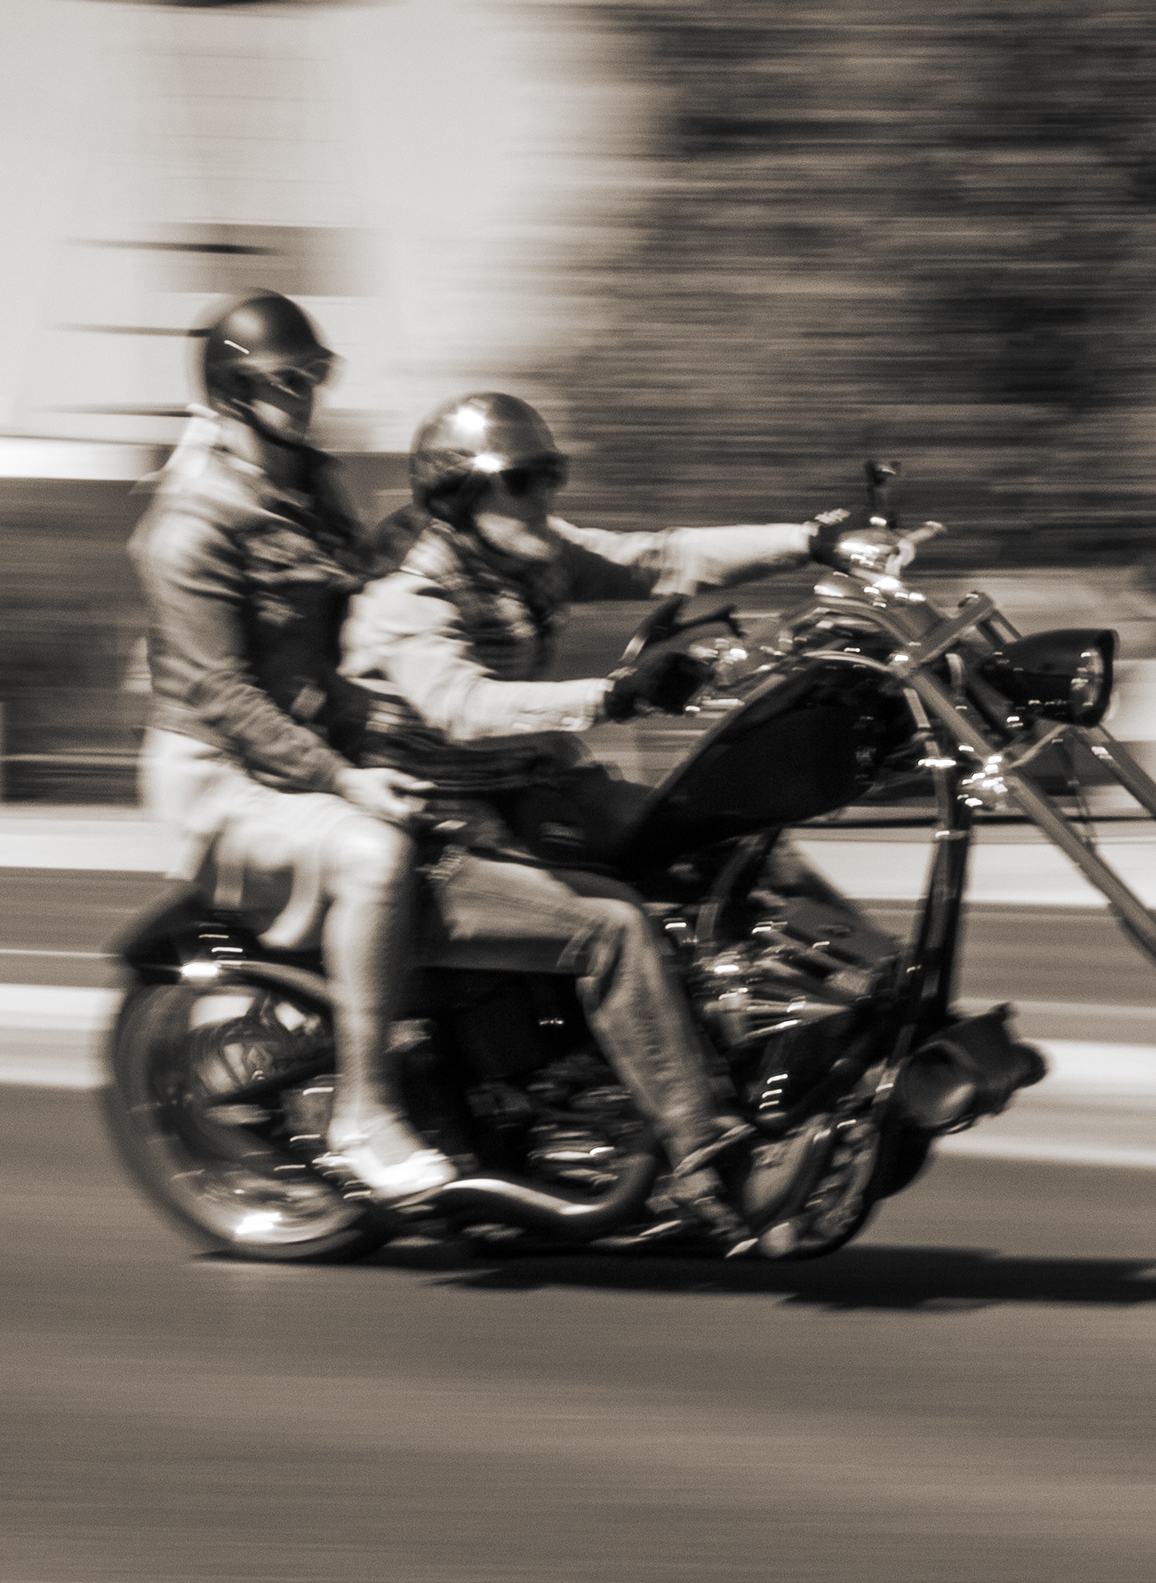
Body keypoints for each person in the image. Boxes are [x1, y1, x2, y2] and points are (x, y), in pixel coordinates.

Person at [338, 392, 848, 1245]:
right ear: (459, 491)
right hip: (431, 830)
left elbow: (664, 555)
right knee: (614, 929)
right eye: (524, 480)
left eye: (552, 475)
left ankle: (845, 1027)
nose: (545, 494)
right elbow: (460, 705)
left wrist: (812, 539)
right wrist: (611, 696)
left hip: (521, 789)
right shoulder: (409, 588)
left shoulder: (531, 551)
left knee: (721, 831)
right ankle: (706, 1162)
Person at [127, 288, 455, 1205]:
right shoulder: (190, 523)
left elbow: (353, 604)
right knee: (377, 856)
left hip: (305, 751)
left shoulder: (313, 483)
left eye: (317, 374)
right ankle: (364, 1115)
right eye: (288, 378)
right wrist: (347, 776)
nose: (308, 393)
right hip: (219, 775)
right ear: (235, 389)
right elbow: (221, 694)